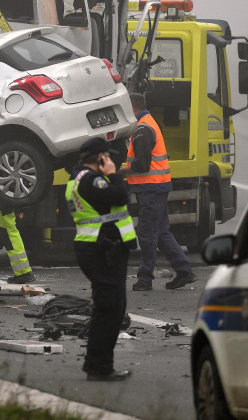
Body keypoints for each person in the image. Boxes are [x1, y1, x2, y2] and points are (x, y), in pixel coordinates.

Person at [66, 136, 137, 381]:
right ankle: (98, 368)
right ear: (100, 158)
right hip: (102, 250)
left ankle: (99, 366)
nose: (110, 160)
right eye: (107, 156)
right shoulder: (92, 180)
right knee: (109, 309)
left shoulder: (79, 179)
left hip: (100, 249)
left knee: (112, 309)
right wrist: (114, 175)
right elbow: (120, 197)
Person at [120, 93, 197, 291]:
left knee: (147, 235)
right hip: (156, 187)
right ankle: (184, 271)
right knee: (162, 233)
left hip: (150, 189)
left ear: (131, 108)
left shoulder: (142, 129)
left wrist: (120, 171)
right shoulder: (147, 123)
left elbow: (142, 164)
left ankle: (145, 279)